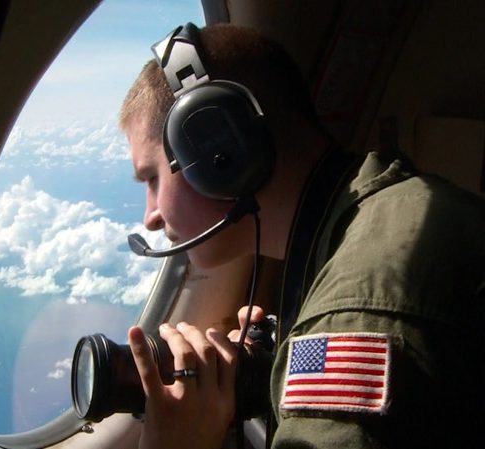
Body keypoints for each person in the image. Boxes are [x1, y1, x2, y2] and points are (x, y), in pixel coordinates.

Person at [119, 22, 485, 449]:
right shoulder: (381, 208)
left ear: (221, 150)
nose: (151, 217)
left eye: (151, 178)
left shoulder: (357, 311)